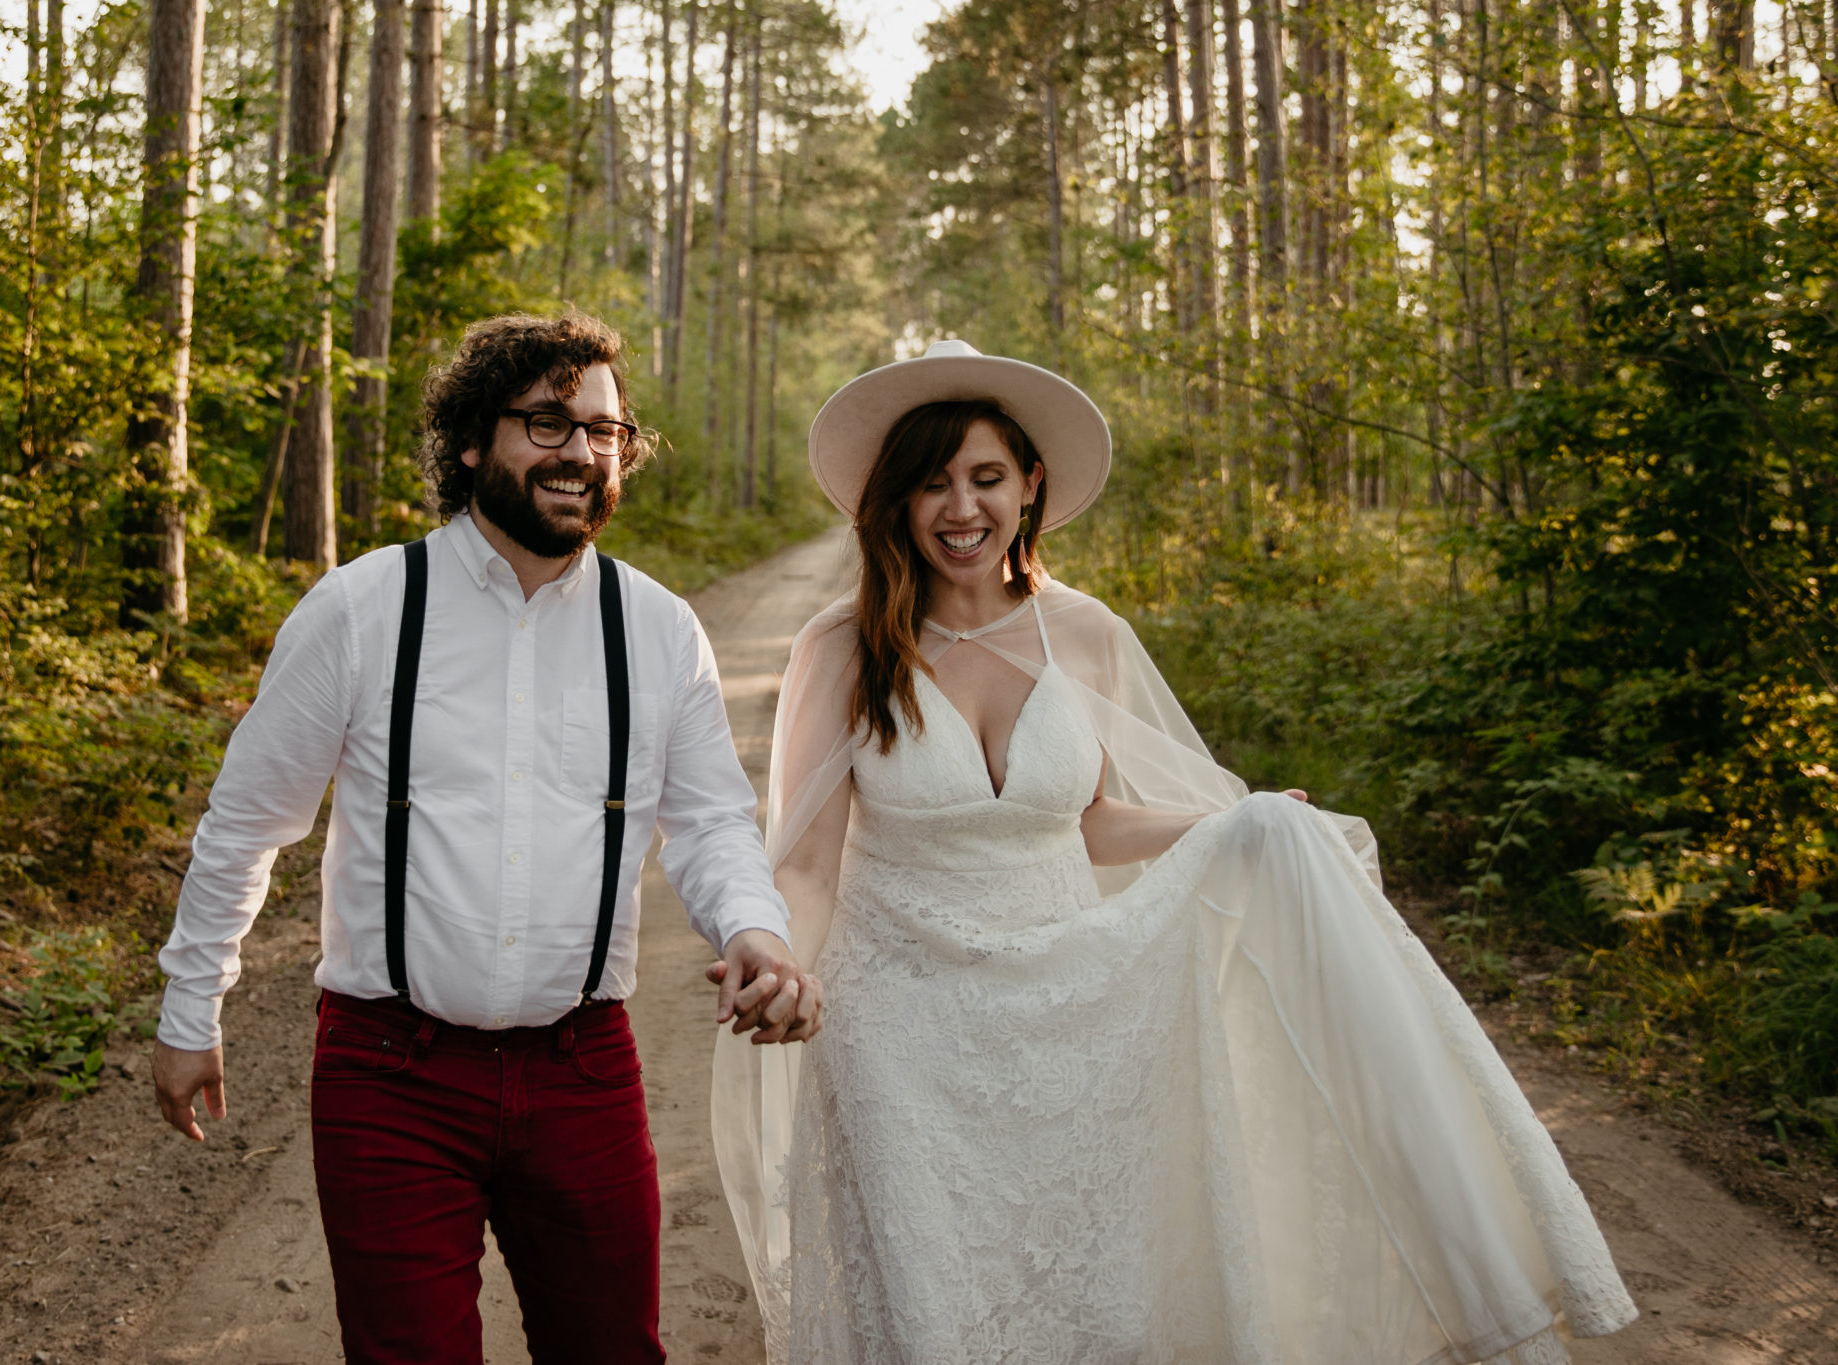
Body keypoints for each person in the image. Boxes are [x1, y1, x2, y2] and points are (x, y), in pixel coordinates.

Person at [712, 339, 1638, 1364]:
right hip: (899, 1020)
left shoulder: (1084, 632)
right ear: (892, 500)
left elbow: (1089, 820)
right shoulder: (840, 649)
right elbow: (801, 859)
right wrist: (784, 957)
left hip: (1072, 1006)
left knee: (1082, 1275)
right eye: (931, 484)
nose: (959, 509)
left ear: (1029, 485)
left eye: (983, 478)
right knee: (932, 1289)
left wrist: (1230, 824)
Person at [151, 311, 821, 1365]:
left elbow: (706, 824)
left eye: (603, 432)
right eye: (547, 423)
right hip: (389, 1070)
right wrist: (192, 1009)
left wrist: (754, 929)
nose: (581, 453)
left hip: (582, 1069)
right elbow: (246, 823)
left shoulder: (656, 630)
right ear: (472, 442)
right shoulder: (362, 609)